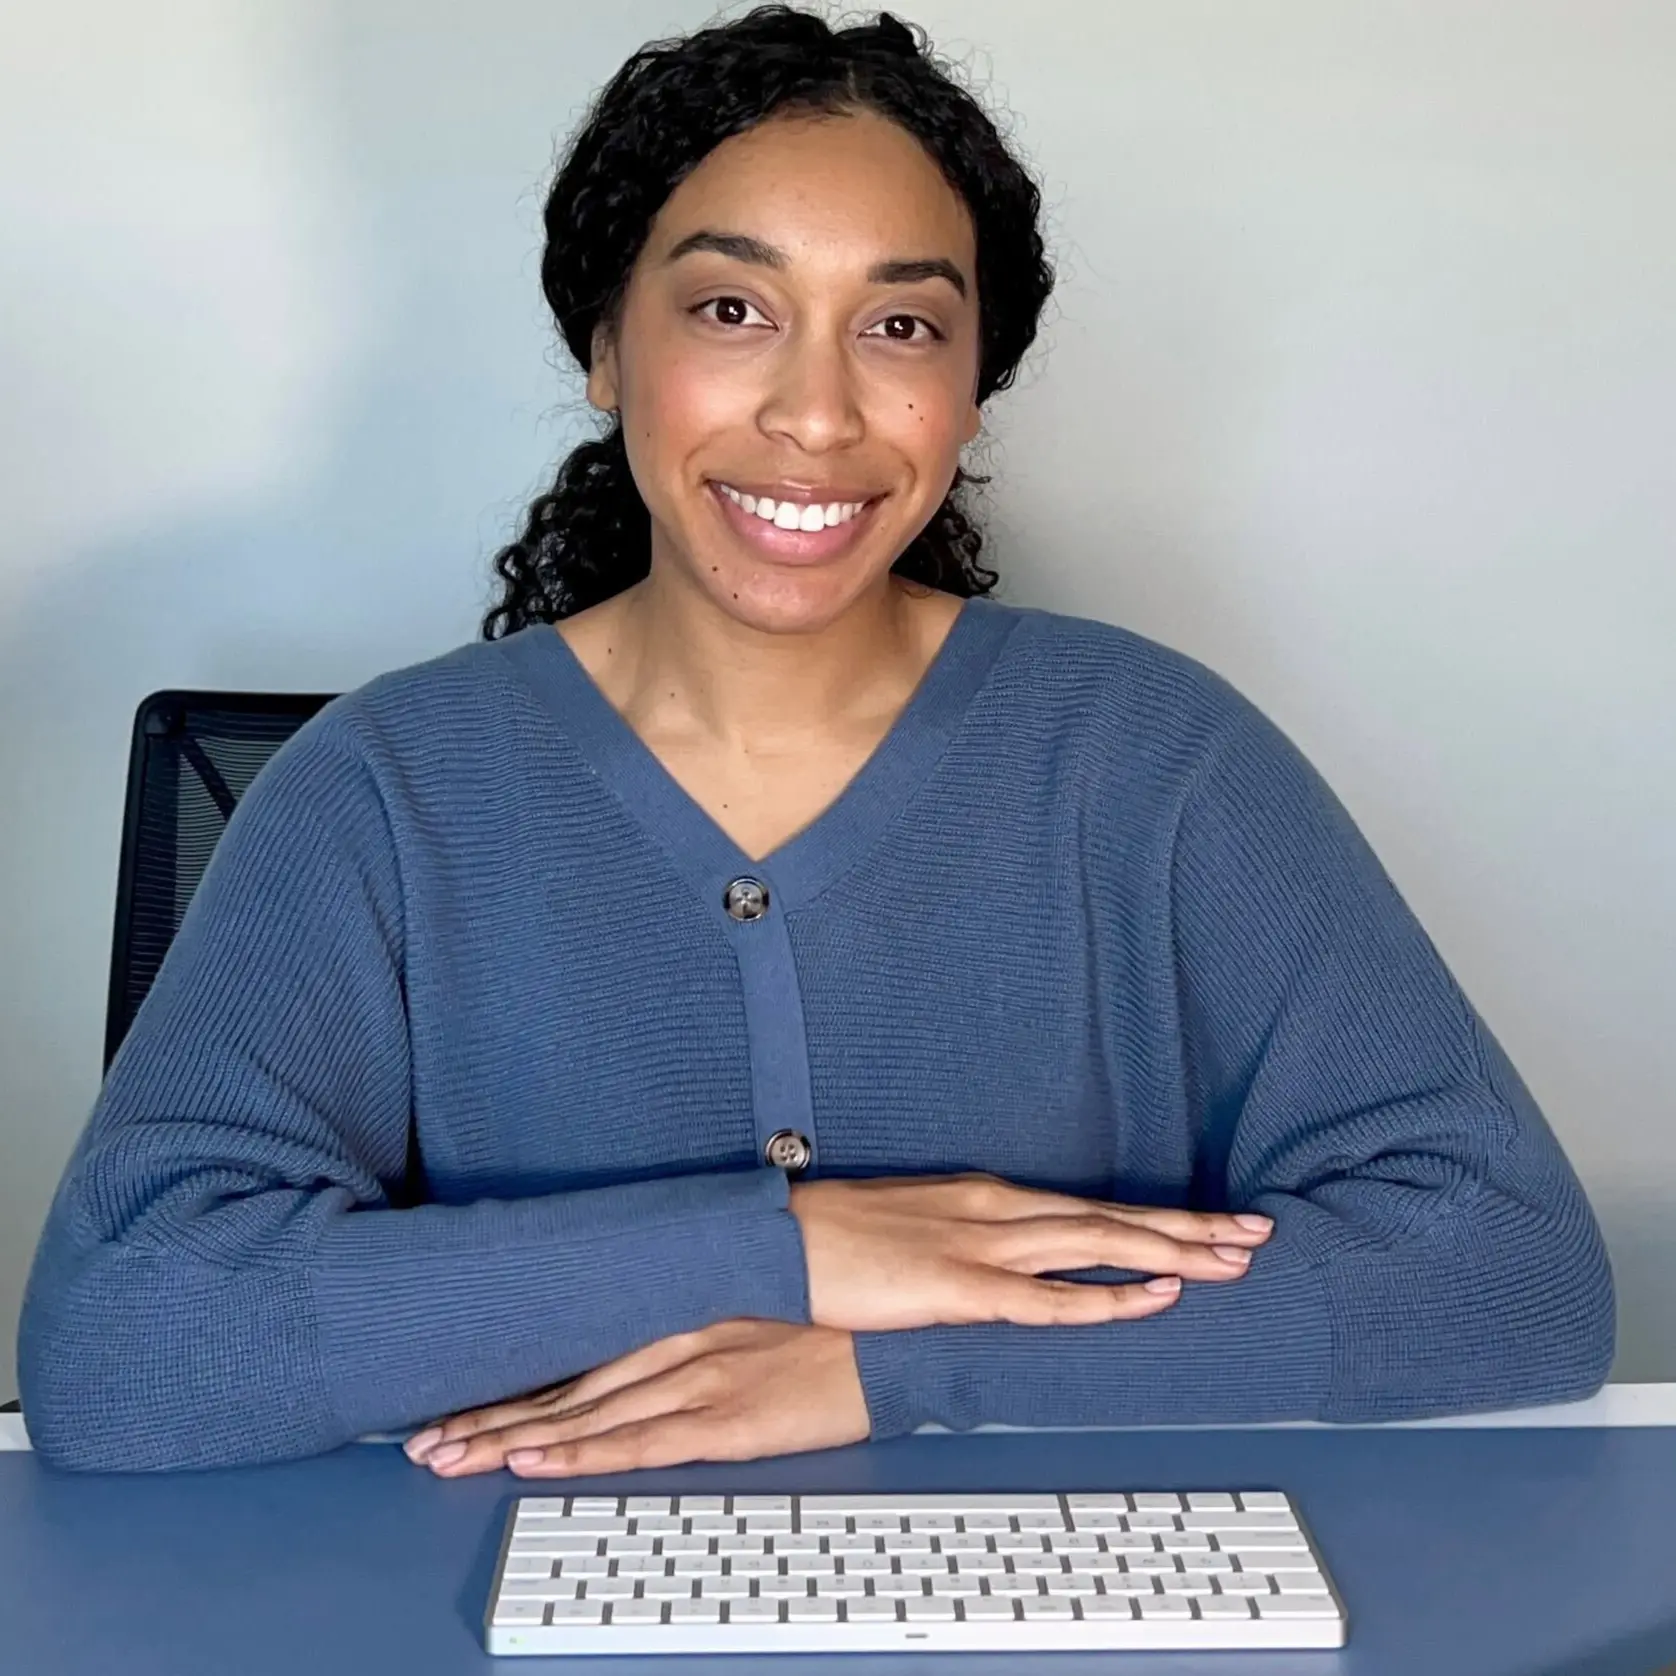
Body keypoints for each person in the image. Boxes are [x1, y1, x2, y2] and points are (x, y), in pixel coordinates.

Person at [18, 6, 1612, 1476]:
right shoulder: (382, 795)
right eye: (730, 307)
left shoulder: (1156, 759)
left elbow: (1509, 1271)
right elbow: (123, 1343)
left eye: (902, 328)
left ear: (974, 388)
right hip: (514, 1599)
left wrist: (883, 1363)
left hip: (1062, 1603)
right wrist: (786, 1248)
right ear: (604, 349)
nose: (820, 413)